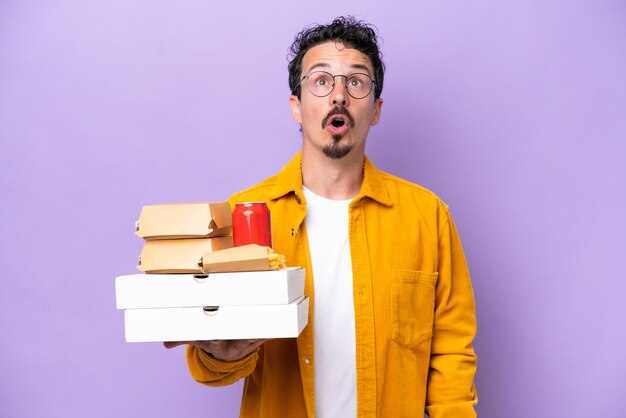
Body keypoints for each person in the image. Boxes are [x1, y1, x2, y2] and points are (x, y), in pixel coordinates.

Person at [165, 16, 478, 417]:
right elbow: (211, 368)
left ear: (376, 109)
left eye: (356, 82)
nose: (339, 96)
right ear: (297, 106)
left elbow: (452, 355)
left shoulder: (427, 217)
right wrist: (221, 354)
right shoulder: (244, 216)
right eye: (321, 81)